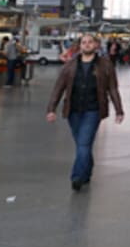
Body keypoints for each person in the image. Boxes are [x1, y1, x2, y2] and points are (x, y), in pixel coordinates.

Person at [45, 33, 125, 191]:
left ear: (96, 45)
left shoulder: (105, 64)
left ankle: (77, 177)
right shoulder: (70, 65)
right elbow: (59, 87)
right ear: (80, 46)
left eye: (90, 42)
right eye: (84, 42)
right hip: (73, 110)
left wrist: (119, 110)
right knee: (83, 145)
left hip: (93, 110)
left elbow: (113, 88)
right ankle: (86, 172)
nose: (87, 45)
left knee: (83, 144)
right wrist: (51, 108)